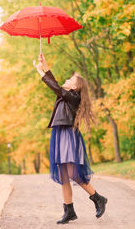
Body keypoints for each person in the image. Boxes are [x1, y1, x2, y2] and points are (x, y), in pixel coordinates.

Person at [33, 53, 108, 224]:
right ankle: (69, 211)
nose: (67, 79)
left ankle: (98, 198)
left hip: (67, 134)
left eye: (70, 79)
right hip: (60, 133)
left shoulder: (73, 97)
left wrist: (40, 72)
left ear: (74, 88)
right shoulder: (65, 95)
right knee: (63, 174)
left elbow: (56, 88)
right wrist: (45, 66)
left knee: (72, 172)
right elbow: (57, 86)